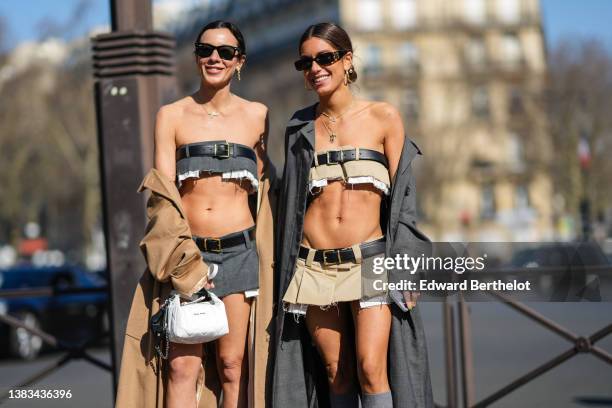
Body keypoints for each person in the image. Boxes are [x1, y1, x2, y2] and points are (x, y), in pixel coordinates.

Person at [115, 20, 277, 408]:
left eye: (224, 52)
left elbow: (268, 192)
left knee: (233, 365)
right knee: (181, 369)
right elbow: (162, 197)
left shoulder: (258, 116)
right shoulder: (171, 115)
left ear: (240, 61)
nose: (214, 58)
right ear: (196, 57)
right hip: (188, 258)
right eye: (205, 50)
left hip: (240, 253)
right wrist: (184, 265)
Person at [273, 22, 433, 408]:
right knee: (335, 371)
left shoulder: (384, 117)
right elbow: (292, 204)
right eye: (306, 62)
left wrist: (405, 263)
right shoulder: (297, 127)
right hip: (312, 267)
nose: (315, 68)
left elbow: (403, 201)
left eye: (325, 58)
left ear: (347, 60)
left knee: (370, 366)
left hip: (371, 260)